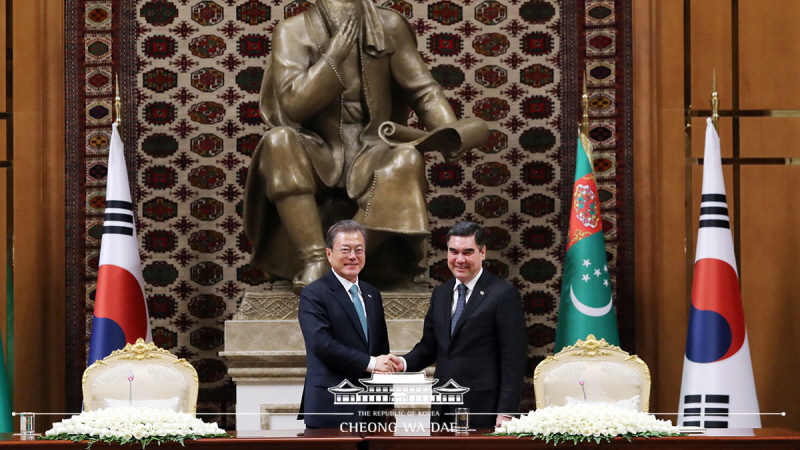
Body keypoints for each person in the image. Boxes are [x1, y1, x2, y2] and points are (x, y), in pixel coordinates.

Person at [243, 0, 472, 293]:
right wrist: (332, 59)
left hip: (373, 147)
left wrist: (449, 131)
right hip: (318, 149)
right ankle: (315, 258)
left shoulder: (389, 26)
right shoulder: (292, 31)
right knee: (278, 141)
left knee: (406, 159)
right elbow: (293, 106)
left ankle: (340, 260)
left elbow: (425, 92)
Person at [389, 221, 527, 429]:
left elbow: (513, 359)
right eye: (453, 252)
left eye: (468, 252)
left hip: (482, 406)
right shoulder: (441, 293)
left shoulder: (503, 295)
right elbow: (430, 345)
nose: (459, 260)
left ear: (483, 252)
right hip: (443, 404)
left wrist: (506, 412)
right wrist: (403, 363)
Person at [297, 220, 395, 429]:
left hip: (371, 409)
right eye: (345, 250)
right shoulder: (314, 293)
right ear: (329, 253)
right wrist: (371, 363)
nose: (353, 256)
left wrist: (387, 405)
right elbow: (321, 344)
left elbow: (381, 349)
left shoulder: (372, 294)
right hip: (331, 405)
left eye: (359, 250)